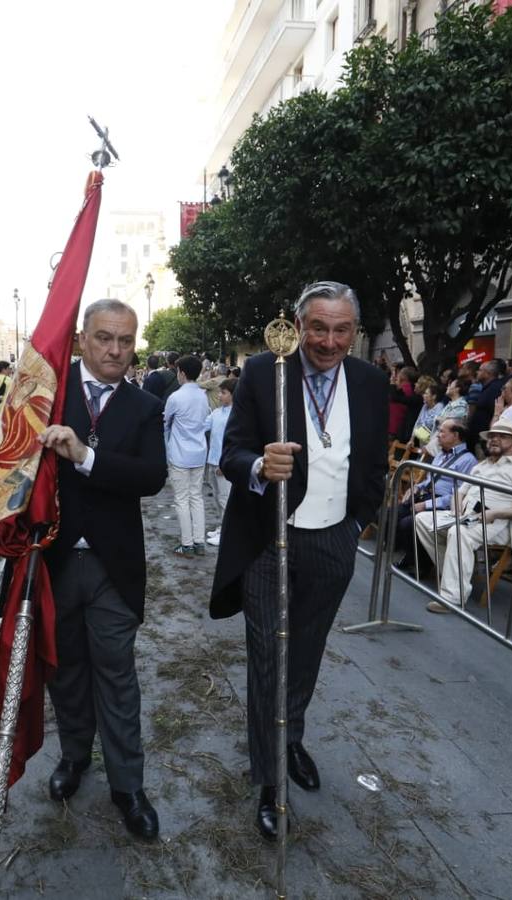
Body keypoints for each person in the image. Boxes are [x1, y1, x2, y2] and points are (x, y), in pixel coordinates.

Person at [211, 281, 389, 841]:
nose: (329, 341)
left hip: (334, 540)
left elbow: (374, 465)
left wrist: (357, 523)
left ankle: (290, 738)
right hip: (271, 540)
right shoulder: (265, 372)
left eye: (341, 330)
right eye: (318, 327)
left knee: (307, 650)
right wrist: (260, 466)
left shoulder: (370, 381)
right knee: (269, 657)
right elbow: (231, 453)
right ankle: (269, 783)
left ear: (354, 333)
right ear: (297, 324)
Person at [35, 298, 167, 841]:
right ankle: (73, 756)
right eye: (105, 338)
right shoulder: (44, 392)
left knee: (116, 674)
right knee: (64, 670)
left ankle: (127, 785)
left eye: (127, 341)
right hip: (54, 559)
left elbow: (152, 476)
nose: (116, 350)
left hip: (114, 566)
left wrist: (84, 457)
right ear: (82, 339)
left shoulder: (143, 404)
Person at [414, 421, 512, 612]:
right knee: (422, 519)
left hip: (498, 523)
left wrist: (495, 512)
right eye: (492, 436)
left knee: (459, 533)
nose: (495, 439)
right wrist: (456, 509)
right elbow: (460, 491)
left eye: (502, 436)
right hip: (467, 516)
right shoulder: (482, 465)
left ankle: (452, 598)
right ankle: (458, 574)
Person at [395, 420, 476, 565]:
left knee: (408, 523)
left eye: (442, 432)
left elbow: (457, 495)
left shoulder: (469, 461)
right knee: (394, 512)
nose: (438, 435)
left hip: (443, 504)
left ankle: (421, 564)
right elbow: (430, 479)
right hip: (426, 494)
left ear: (455, 435)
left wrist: (426, 505)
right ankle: (406, 552)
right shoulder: (440, 454)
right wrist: (417, 487)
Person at [164, 355, 211, 557]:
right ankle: (199, 542)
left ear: (181, 373)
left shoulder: (176, 397)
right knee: (196, 497)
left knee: (182, 499)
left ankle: (187, 544)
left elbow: (165, 422)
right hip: (199, 452)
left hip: (180, 454)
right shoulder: (202, 395)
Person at [204, 377, 237, 547]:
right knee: (217, 497)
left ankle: (227, 532)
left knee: (225, 498)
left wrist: (225, 464)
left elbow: (234, 442)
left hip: (225, 464)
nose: (219, 395)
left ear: (233, 395)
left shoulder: (236, 415)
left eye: (223, 393)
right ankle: (222, 526)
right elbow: (203, 426)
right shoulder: (217, 413)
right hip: (213, 461)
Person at [466, 360, 505, 449]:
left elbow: (495, 413)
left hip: (484, 439)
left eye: (480, 370)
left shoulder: (495, 389)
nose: (477, 372)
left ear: (488, 373)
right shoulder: (486, 388)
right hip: (477, 436)